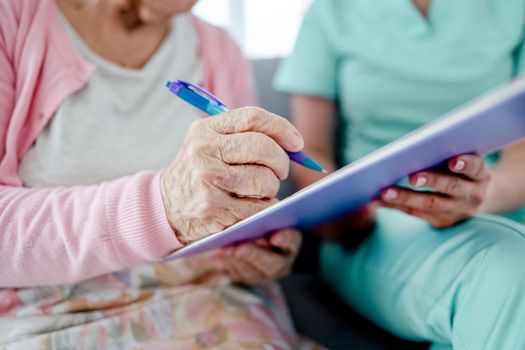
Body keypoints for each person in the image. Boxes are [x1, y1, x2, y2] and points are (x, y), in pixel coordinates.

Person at [0, 0, 314, 348]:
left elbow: (236, 208)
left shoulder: (219, 49)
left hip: (212, 299)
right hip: (54, 316)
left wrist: (256, 243)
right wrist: (162, 206)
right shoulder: (11, 20)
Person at [275, 0, 525, 349]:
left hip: (498, 200)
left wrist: (479, 197)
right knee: (504, 272)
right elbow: (308, 151)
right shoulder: (331, 11)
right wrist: (339, 211)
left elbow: (521, 155)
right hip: (376, 226)